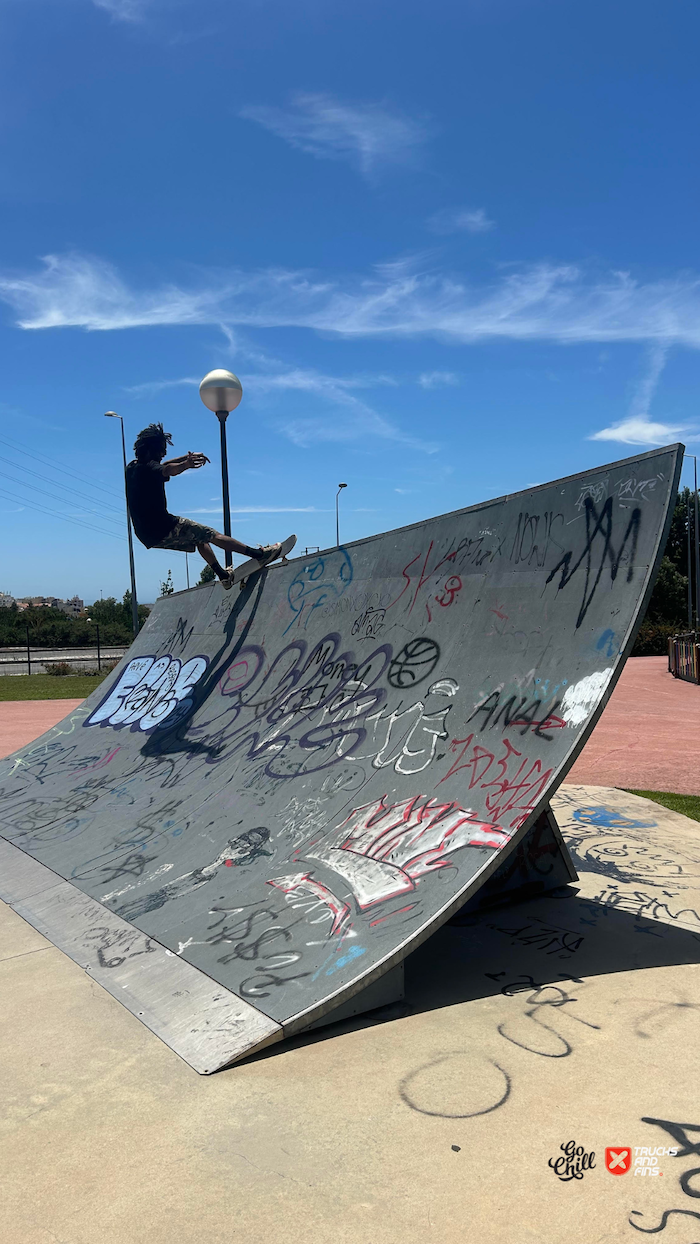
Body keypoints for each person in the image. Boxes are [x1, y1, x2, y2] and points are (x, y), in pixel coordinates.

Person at [125, 422, 282, 588]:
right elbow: (168, 469)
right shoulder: (151, 469)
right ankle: (259, 554)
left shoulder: (132, 467)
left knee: (199, 537)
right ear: (152, 449)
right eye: (162, 449)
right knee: (211, 535)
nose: (164, 453)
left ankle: (224, 576)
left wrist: (186, 458)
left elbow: (163, 466)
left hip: (146, 535)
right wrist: (186, 464)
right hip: (164, 527)